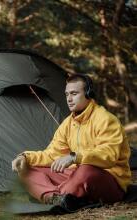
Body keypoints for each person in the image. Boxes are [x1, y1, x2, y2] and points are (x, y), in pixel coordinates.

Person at [11, 74, 132, 212]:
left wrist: (74, 157)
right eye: (67, 94)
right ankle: (56, 198)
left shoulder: (106, 119)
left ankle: (58, 194)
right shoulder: (67, 124)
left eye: (74, 93)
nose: (69, 99)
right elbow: (52, 154)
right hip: (75, 176)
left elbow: (109, 155)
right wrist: (25, 157)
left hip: (109, 180)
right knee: (26, 169)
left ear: (88, 94)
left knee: (85, 169)